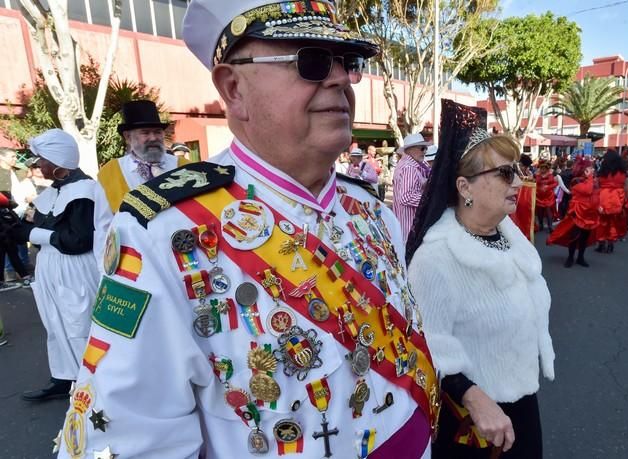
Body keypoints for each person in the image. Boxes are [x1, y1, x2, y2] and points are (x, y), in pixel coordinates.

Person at [56, 2, 439, 458]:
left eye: (347, 62)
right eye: (311, 61)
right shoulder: (162, 230)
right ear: (233, 88)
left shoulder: (372, 210)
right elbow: (130, 439)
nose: (339, 79)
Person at [407, 99, 554, 459]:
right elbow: (427, 347)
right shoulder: (437, 257)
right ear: (465, 187)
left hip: (522, 400)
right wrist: (471, 395)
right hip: (473, 423)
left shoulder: (509, 234)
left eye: (517, 169)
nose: (519, 180)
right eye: (505, 174)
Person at [14, 129, 100, 401]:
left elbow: (79, 241)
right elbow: (48, 231)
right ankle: (63, 378)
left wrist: (31, 234)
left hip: (74, 270)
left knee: (78, 324)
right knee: (55, 323)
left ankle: (93, 385)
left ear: (57, 161)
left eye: (41, 159)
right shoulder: (52, 192)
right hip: (50, 267)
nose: (37, 165)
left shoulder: (85, 191)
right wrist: (17, 228)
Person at [93, 100, 189, 262]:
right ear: (128, 137)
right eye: (145, 132)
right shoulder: (110, 173)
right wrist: (106, 268)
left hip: (183, 254)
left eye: (157, 132)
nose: (153, 138)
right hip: (135, 262)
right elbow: (103, 228)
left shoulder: (184, 168)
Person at [547, 157, 600, 268]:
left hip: (590, 214)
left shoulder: (592, 180)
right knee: (574, 237)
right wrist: (590, 178)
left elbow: (595, 194)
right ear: (583, 170)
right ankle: (570, 258)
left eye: (592, 168)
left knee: (584, 238)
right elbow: (587, 190)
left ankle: (580, 257)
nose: (593, 170)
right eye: (590, 168)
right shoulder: (576, 181)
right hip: (578, 213)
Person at [393, 132, 432, 243]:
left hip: (405, 225)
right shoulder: (409, 168)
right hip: (409, 225)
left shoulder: (405, 165)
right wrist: (429, 198)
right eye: (422, 148)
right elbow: (406, 197)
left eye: (425, 149)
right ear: (410, 150)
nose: (425, 152)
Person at [0, 148, 31, 290]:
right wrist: (8, 203)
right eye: (12, 156)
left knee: (11, 246)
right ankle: (22, 276)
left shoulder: (15, 171)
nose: (15, 159)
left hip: (12, 213)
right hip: (4, 214)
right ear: (2, 157)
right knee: (7, 246)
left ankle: (24, 276)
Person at [595, 151, 627, 253]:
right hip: (617, 197)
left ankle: (601, 243)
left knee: (601, 222)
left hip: (603, 197)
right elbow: (627, 187)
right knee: (613, 222)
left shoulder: (603, 172)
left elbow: (596, 185)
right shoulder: (622, 173)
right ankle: (611, 244)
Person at [534, 162, 557, 232]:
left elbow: (555, 183)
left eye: (544, 168)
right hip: (539, 197)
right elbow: (534, 183)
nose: (542, 170)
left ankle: (550, 226)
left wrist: (548, 187)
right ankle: (541, 225)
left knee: (548, 212)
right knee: (540, 212)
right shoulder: (537, 176)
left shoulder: (550, 176)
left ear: (547, 169)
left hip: (548, 197)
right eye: (541, 168)